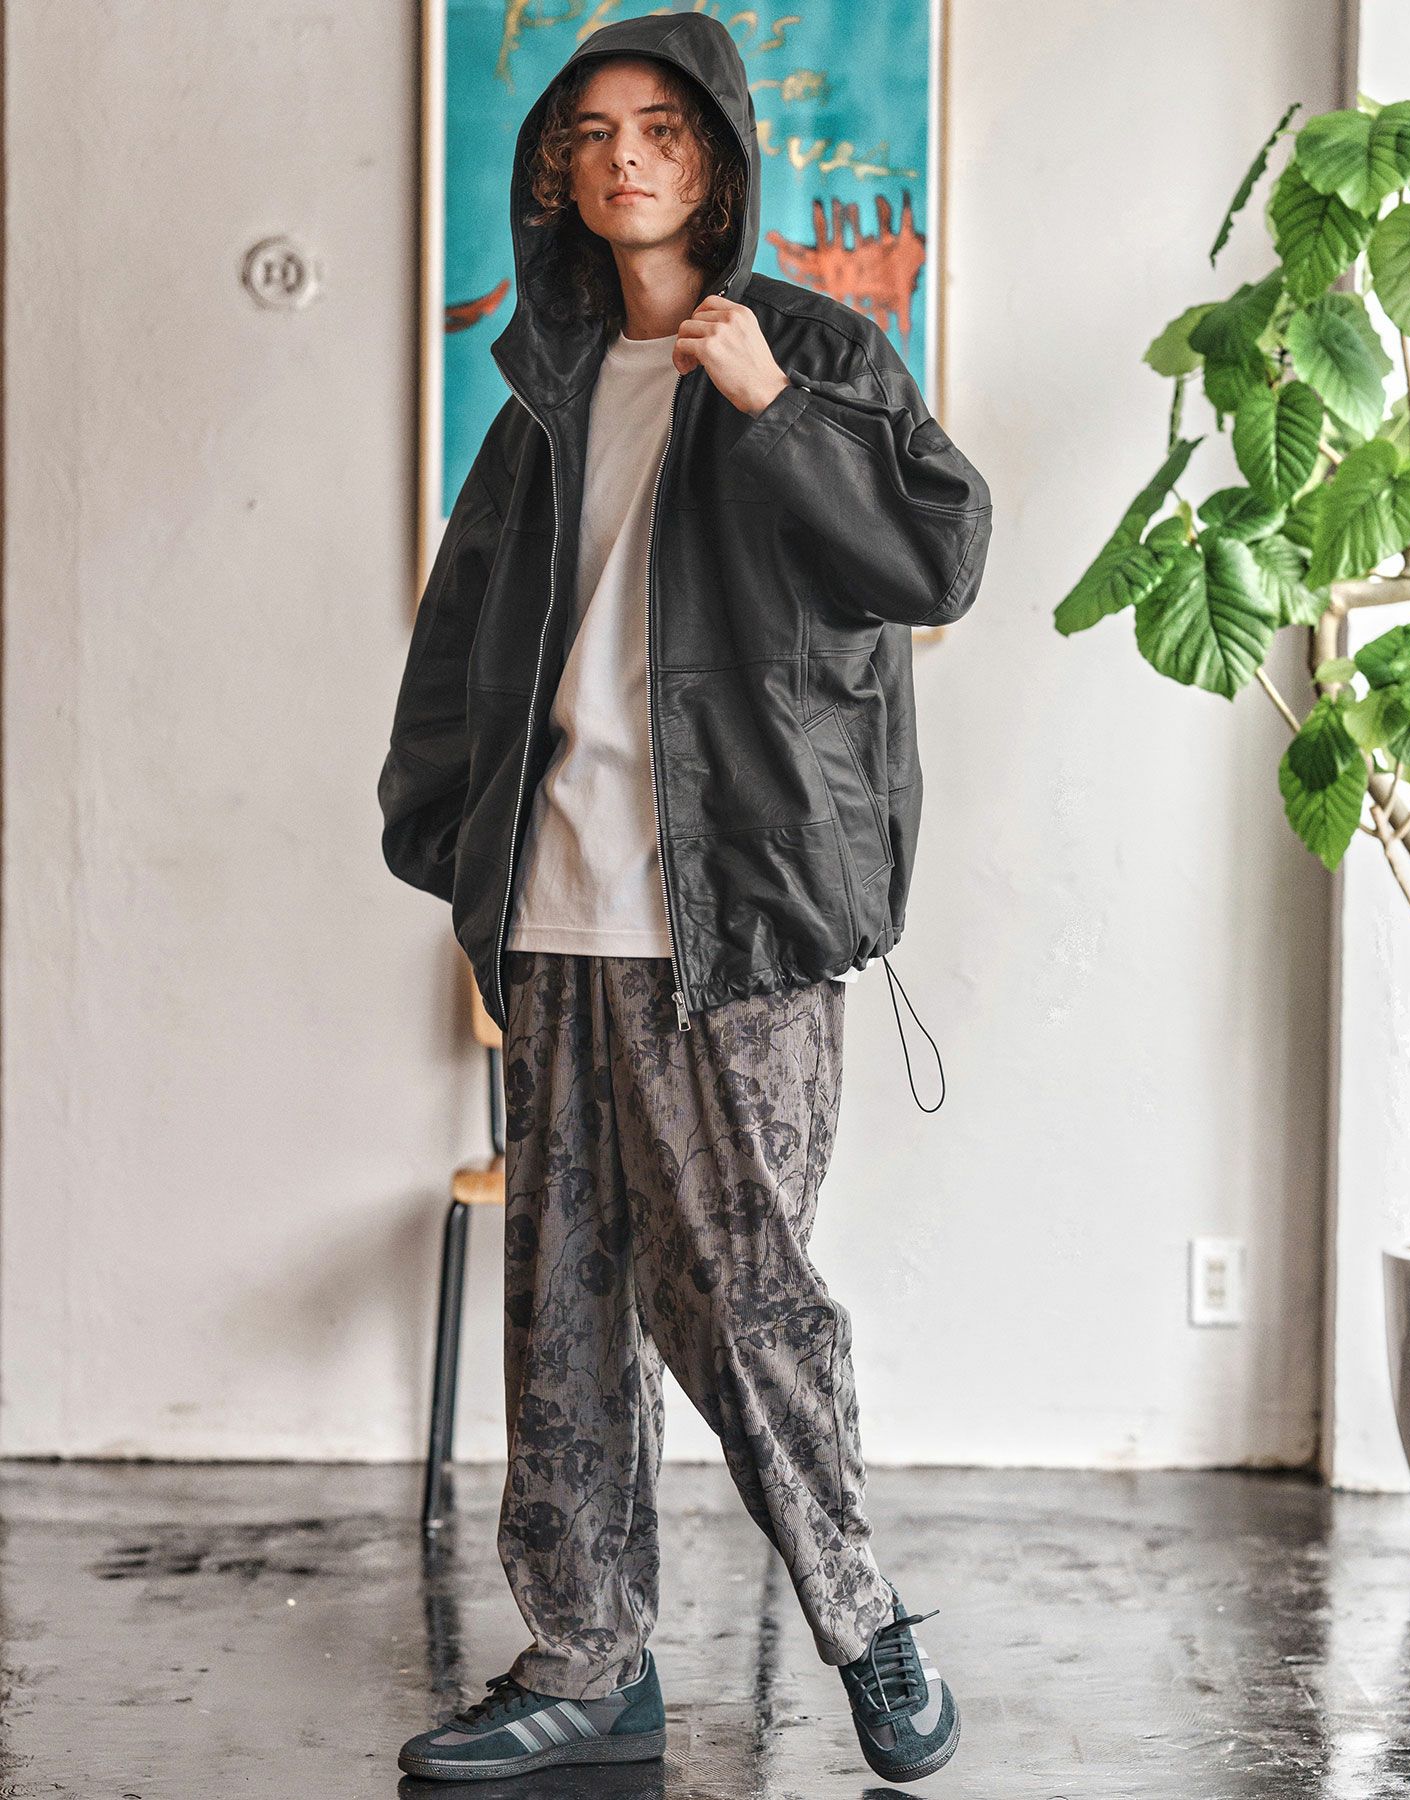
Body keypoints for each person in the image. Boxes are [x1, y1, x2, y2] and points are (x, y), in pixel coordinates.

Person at [381, 10, 991, 1785]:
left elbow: (933, 559)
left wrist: (775, 410)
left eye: (658, 127)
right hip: (552, 908)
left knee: (740, 1291)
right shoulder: (545, 392)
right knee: (561, 1301)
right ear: (558, 175)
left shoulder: (816, 349)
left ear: (716, 157)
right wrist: (450, 835)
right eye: (590, 133)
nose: (623, 155)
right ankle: (586, 1659)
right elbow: (465, 635)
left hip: (737, 916)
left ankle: (863, 1617)